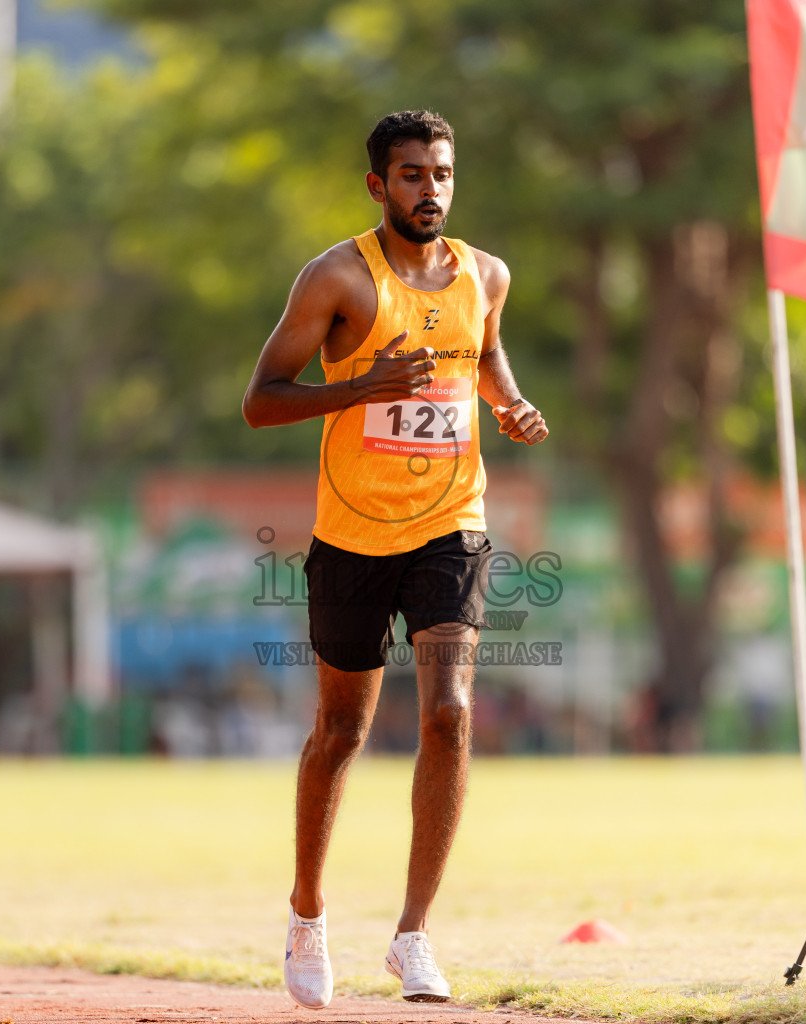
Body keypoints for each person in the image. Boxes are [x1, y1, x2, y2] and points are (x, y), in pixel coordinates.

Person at [242, 109, 548, 1008]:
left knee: (449, 712)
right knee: (342, 732)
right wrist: (359, 387)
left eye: (442, 174)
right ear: (379, 186)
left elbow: (485, 355)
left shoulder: (485, 276)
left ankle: (414, 934)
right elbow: (260, 401)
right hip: (351, 533)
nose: (431, 190)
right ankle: (306, 913)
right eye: (412, 175)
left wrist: (512, 405)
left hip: (451, 522)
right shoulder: (337, 278)